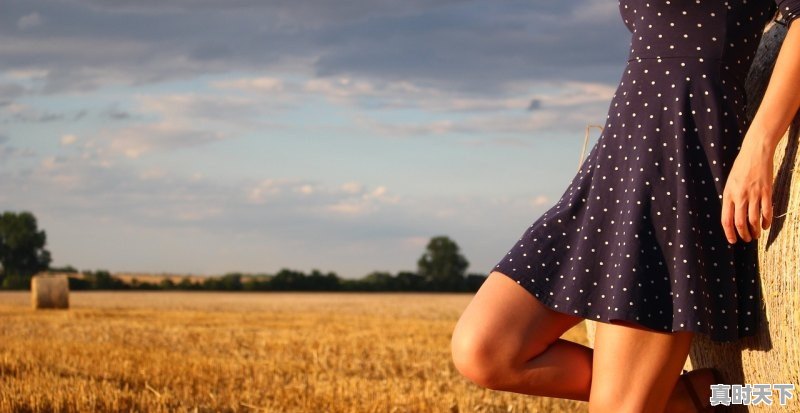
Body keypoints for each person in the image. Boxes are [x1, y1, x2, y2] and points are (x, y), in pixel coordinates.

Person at [451, 1, 800, 412]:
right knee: (484, 350)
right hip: (616, 160)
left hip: (679, 166)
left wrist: (759, 145)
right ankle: (692, 398)